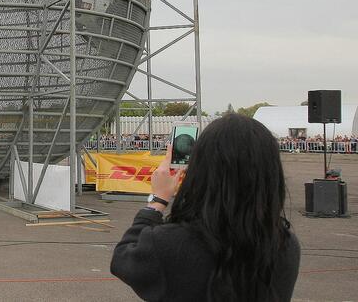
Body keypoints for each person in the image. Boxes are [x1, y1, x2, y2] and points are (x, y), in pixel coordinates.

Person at [110, 113, 300, 301]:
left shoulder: (168, 243)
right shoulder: (286, 245)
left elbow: (123, 259)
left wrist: (158, 201)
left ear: (200, 170)